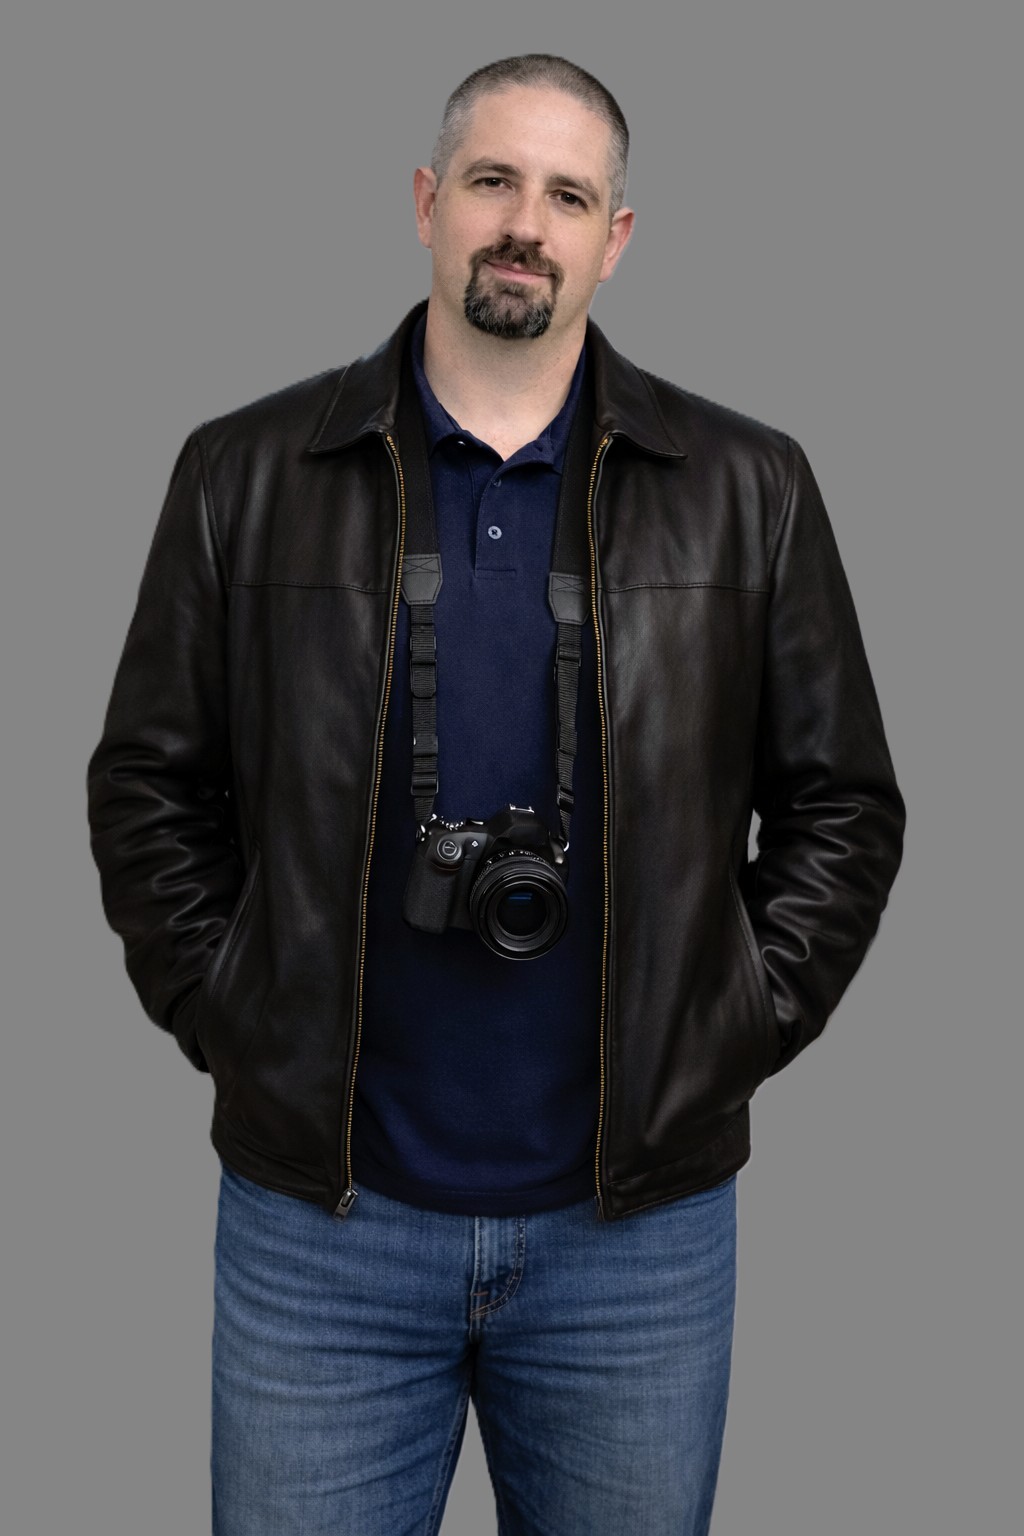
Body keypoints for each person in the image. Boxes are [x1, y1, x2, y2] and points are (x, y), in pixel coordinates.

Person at [86, 52, 906, 1536]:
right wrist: (230, 1010)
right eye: (493, 180)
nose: (527, 223)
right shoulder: (242, 472)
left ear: (617, 237)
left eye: (569, 195)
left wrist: (736, 1023)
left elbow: (844, 804)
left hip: (638, 1236)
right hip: (318, 1224)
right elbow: (149, 783)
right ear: (426, 202)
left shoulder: (752, 486)